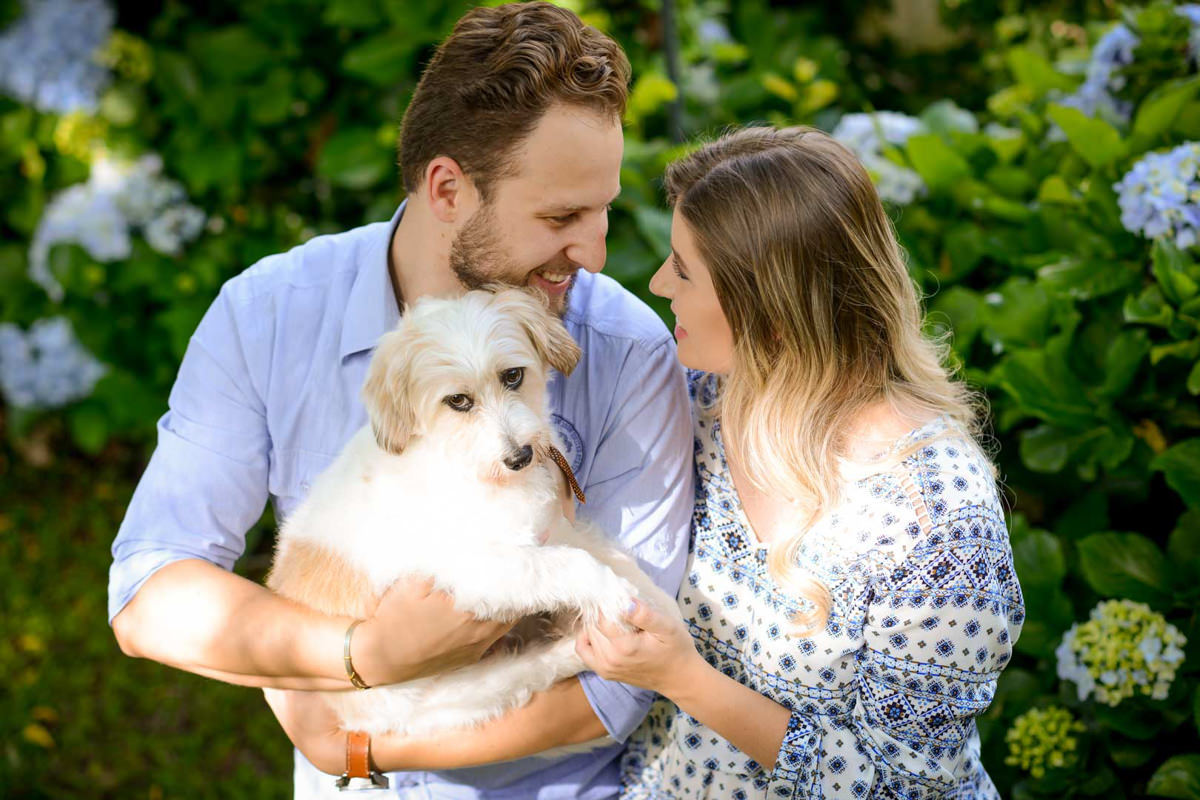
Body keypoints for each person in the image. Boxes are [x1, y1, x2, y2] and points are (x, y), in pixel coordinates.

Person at [107, 3, 693, 798]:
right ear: (447, 187)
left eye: (604, 211)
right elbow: (150, 588)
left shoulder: (626, 349)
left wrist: (357, 748)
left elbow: (629, 677)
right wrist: (363, 653)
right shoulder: (270, 316)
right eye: (561, 216)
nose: (592, 253)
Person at [571, 126, 1027, 798]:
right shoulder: (695, 406)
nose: (659, 281)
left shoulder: (936, 517)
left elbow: (903, 787)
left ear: (772, 316)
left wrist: (682, 676)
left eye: (684, 268)